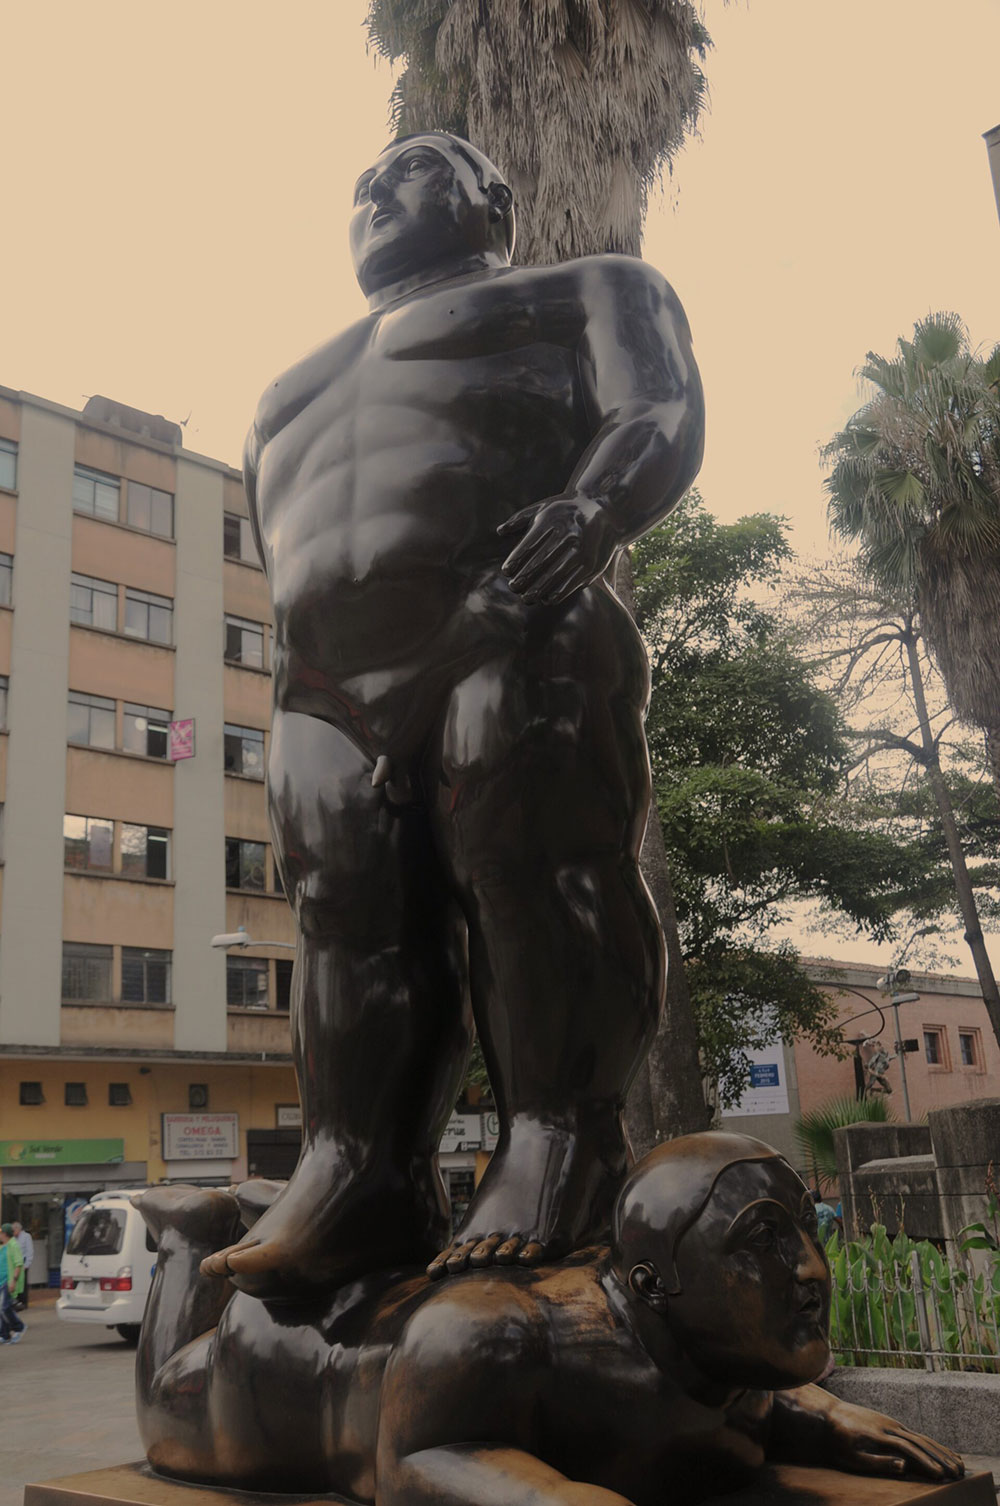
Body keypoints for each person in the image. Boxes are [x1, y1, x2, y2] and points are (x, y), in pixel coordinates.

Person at [202, 132, 705, 1299]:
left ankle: (562, 1141)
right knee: (345, 922)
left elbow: (659, 410)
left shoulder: (585, 289)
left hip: (513, 615)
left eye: (412, 172)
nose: (377, 192)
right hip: (327, 689)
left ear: (493, 198)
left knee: (533, 872)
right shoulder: (282, 396)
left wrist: (592, 509)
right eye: (362, 187)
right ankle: (358, 1172)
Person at [136, 1134, 963, 1502]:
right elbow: (415, 1461)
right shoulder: (495, 1331)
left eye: (807, 1233)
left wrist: (820, 1414)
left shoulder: (708, 1343)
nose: (811, 1271)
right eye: (762, 1243)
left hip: (385, 1300)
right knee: (168, 1413)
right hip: (286, 1369)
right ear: (653, 1283)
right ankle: (188, 1237)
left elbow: (721, 1383)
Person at [0, 1225, 25, 1344]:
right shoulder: (2, 1246)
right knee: (1, 1309)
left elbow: (18, 1264)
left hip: (8, 1280)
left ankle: (19, 1327)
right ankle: (5, 1335)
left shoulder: (13, 1245)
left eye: (1, 1233)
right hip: (1, 1281)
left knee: (4, 1307)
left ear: (5, 1234)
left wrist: (13, 1281)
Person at [12, 1221, 33, 1309]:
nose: (13, 1232)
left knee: (23, 1283)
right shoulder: (13, 1238)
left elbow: (29, 1251)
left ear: (18, 1229)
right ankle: (16, 1301)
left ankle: (24, 1302)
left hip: (23, 1262)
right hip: (15, 1263)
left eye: (14, 1230)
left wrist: (27, 1264)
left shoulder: (26, 1236)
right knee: (16, 1282)